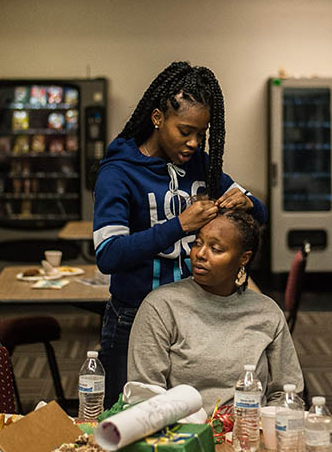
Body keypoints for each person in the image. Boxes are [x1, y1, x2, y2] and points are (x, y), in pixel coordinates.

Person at [92, 61, 267, 407]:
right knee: (126, 417)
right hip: (133, 316)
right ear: (157, 118)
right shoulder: (118, 174)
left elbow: (258, 214)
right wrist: (180, 226)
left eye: (201, 134)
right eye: (185, 131)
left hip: (193, 315)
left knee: (187, 415)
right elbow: (109, 255)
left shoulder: (200, 165)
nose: (193, 143)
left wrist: (247, 202)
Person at [127, 208, 303, 413]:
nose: (200, 254)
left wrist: (262, 430)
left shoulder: (266, 312)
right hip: (180, 434)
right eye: (197, 243)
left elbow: (287, 393)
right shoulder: (161, 306)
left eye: (216, 249)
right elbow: (146, 394)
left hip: (248, 434)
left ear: (244, 258)